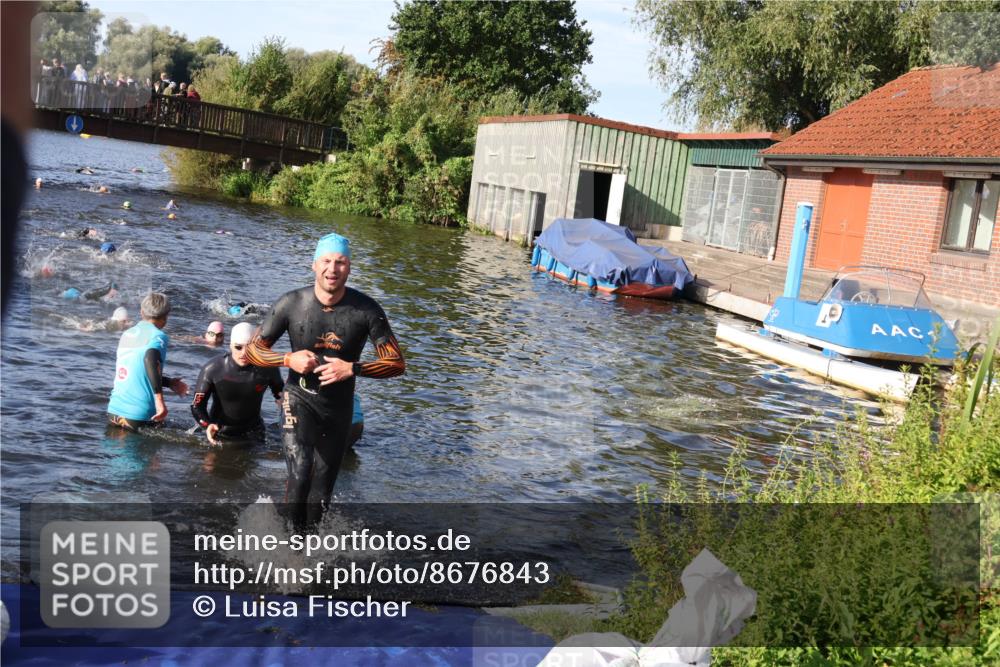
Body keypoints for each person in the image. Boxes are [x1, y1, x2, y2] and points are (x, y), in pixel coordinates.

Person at [245, 232, 405, 528]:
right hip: (298, 397)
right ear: (314, 265)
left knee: (321, 491)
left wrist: (352, 368)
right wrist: (287, 359)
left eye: (340, 262)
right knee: (301, 468)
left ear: (349, 268)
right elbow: (253, 351)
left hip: (338, 407)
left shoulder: (366, 310)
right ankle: (287, 545)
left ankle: (310, 547)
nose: (333, 269)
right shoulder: (292, 303)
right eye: (327, 261)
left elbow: (396, 363)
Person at [191, 322, 284, 446]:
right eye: (238, 347)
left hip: (254, 433)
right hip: (219, 433)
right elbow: (197, 406)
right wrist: (207, 425)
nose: (244, 353)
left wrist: (286, 405)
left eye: (249, 348)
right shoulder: (213, 369)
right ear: (230, 346)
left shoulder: (268, 368)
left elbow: (282, 398)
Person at [107, 292, 188, 431]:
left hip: (114, 411)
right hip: (139, 415)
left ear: (141, 312)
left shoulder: (126, 334)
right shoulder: (158, 336)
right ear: (165, 317)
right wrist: (160, 402)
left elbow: (138, 371)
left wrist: (169, 383)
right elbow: (150, 360)